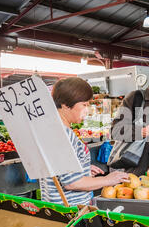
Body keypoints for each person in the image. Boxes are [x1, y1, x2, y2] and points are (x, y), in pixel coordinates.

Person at [40, 77, 129, 206]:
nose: (87, 111)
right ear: (65, 105)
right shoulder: (63, 135)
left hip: (59, 208)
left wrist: (83, 170)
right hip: (71, 211)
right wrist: (107, 180)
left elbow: (62, 172)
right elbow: (72, 183)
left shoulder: (55, 130)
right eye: (84, 105)